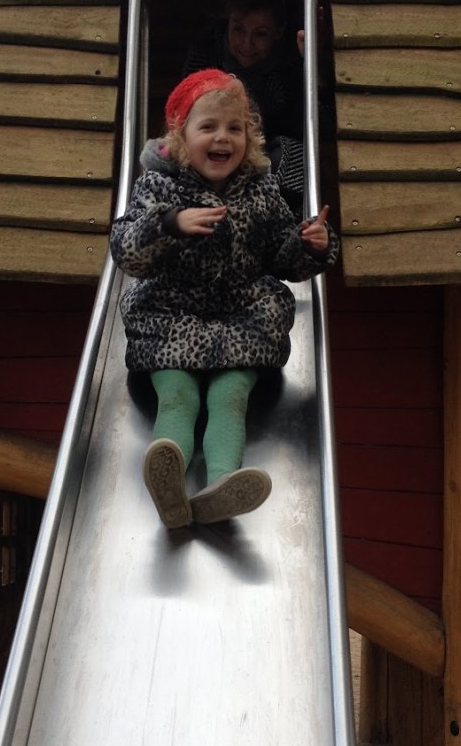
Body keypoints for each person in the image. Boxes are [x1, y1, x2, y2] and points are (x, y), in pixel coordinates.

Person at [109, 69, 338, 529]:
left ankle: (221, 486)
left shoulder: (261, 190)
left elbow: (281, 257)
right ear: (179, 136)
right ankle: (169, 486)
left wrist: (309, 244)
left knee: (230, 396)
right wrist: (170, 224)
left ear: (249, 139)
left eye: (235, 128)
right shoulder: (159, 188)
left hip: (241, 318)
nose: (222, 138)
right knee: (178, 396)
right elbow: (126, 250)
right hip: (171, 316)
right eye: (208, 127)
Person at [182, 0, 306, 207]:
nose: (247, 44)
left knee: (292, 153)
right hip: (213, 147)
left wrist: (310, 64)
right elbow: (187, 111)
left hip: (264, 151)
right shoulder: (206, 51)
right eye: (238, 30)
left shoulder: (291, 60)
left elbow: (304, 123)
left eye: (260, 34)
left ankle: (284, 213)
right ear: (227, 23)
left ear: (278, 32)